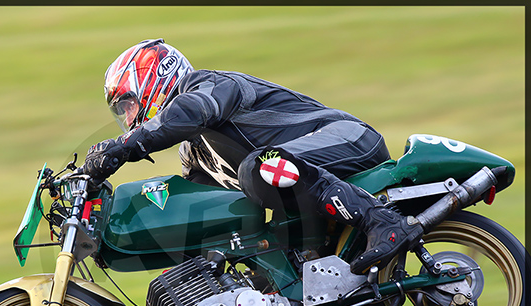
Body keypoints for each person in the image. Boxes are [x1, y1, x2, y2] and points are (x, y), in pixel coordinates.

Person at [81, 38, 423, 275]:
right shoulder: (194, 151)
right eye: (121, 112)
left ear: (154, 78)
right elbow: (207, 215)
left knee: (257, 168)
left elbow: (189, 113)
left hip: (349, 140)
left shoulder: (210, 85)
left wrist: (123, 145)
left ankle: (382, 221)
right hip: (304, 181)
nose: (128, 119)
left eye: (129, 105)